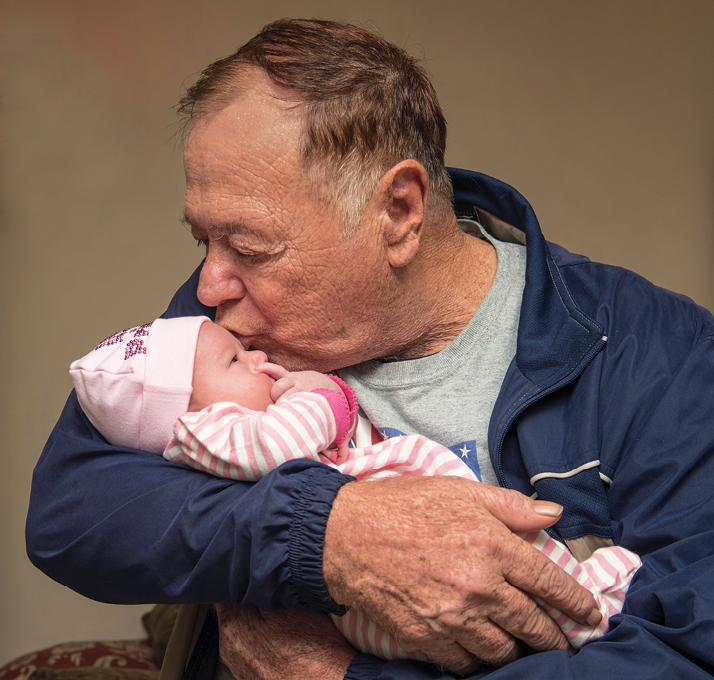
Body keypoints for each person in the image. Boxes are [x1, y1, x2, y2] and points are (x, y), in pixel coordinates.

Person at [26, 17, 714, 680]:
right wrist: (328, 534)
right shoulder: (233, 314)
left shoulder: (660, 353)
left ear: (400, 213)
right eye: (202, 240)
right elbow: (73, 507)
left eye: (249, 245)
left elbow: (685, 651)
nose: (208, 282)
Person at [68, 315, 641, 657]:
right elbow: (281, 448)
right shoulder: (205, 432)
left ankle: (583, 600)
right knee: (503, 589)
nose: (259, 356)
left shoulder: (221, 416)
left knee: (507, 570)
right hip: (365, 600)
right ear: (183, 408)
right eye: (236, 361)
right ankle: (588, 610)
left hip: (392, 552)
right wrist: (321, 396)